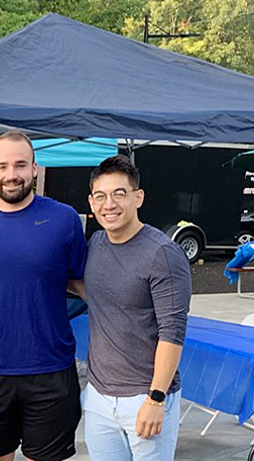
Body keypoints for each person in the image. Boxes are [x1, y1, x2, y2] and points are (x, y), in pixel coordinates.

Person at [0, 130, 86, 461]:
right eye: (3, 166)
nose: (12, 175)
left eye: (21, 165)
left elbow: (83, 284)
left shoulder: (64, 219)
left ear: (35, 169)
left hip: (50, 371)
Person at [81, 155, 190, 461]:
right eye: (100, 196)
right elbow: (93, 291)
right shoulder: (96, 244)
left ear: (138, 197)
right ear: (91, 203)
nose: (109, 204)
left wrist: (156, 399)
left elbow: (173, 332)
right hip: (99, 397)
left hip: (145, 397)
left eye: (120, 194)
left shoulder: (163, 254)